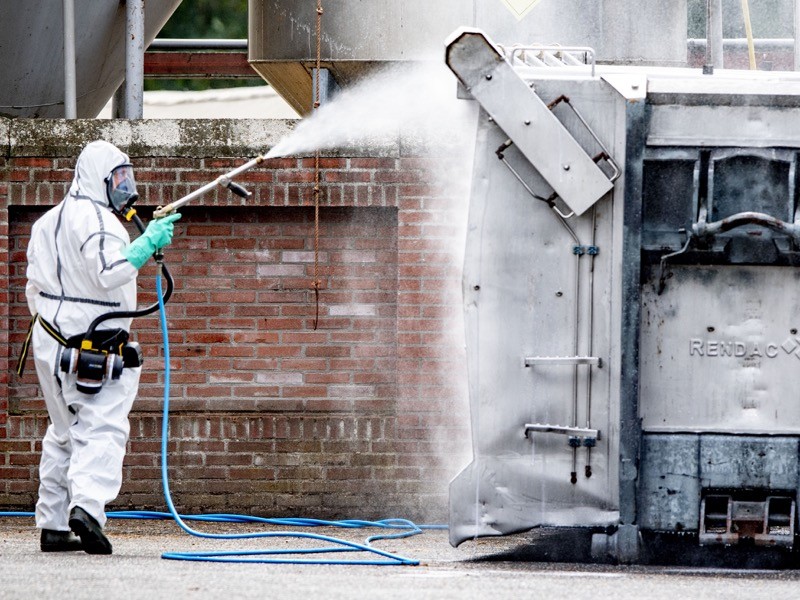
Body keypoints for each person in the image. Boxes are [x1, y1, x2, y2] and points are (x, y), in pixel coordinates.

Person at [23, 140, 181, 554]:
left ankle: (54, 525)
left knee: (62, 430)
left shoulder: (47, 222)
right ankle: (87, 509)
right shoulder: (100, 222)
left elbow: (32, 287)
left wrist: (52, 324)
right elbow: (110, 273)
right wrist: (147, 245)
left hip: (48, 343)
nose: (125, 187)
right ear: (98, 176)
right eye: (119, 178)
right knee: (102, 426)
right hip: (94, 341)